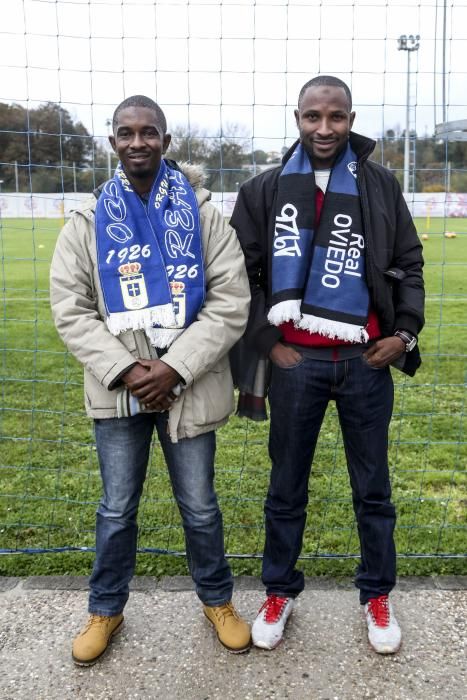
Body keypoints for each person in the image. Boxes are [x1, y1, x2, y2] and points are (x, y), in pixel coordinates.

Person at [50, 95, 251, 665]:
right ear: (112, 142)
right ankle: (105, 609)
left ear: (166, 140)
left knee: (201, 507)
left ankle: (218, 601)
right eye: (125, 133)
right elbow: (71, 307)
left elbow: (231, 300)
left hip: (188, 386)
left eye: (149, 132)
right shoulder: (88, 220)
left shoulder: (205, 214)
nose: (138, 141)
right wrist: (128, 370)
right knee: (117, 508)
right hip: (120, 390)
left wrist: (174, 368)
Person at [230, 75, 424, 655]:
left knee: (374, 490)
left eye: (335, 117)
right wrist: (268, 344)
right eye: (313, 116)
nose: (324, 128)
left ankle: (376, 595)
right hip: (297, 365)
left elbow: (409, 263)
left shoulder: (381, 185)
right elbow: (240, 278)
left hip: (366, 363)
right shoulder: (263, 189)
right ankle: (279, 590)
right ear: (297, 118)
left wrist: (404, 335)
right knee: (286, 487)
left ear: (350, 118)